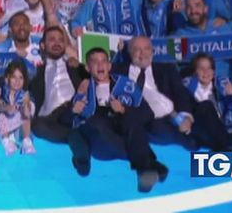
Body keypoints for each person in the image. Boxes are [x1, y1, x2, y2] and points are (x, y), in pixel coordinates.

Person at [66, 48, 167, 192]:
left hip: (122, 136)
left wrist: (124, 110)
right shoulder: (83, 88)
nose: (100, 65)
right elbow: (67, 120)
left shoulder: (127, 85)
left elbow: (148, 114)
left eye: (103, 61)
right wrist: (77, 102)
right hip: (98, 141)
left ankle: (145, 171)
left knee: (131, 121)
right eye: (94, 61)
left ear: (109, 66)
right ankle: (150, 164)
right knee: (96, 122)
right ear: (88, 68)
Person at [112, 37, 197, 150]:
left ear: (153, 51)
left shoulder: (167, 69)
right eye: (137, 49)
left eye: (147, 49)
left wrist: (186, 117)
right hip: (131, 118)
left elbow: (180, 93)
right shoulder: (117, 71)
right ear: (129, 52)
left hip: (165, 120)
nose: (142, 53)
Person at [29, 26, 84, 144]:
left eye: (60, 40)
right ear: (43, 45)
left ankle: (76, 137)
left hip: (72, 110)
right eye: (52, 39)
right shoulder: (36, 72)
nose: (57, 43)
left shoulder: (75, 67)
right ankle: (75, 137)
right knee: (37, 126)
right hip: (49, 118)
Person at [0, 61, 37, 155]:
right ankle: (6, 141)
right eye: (14, 77)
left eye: (20, 78)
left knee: (25, 116)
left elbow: (26, 107)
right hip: (0, 121)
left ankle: (27, 141)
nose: (17, 81)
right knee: (2, 116)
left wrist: (26, 108)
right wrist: (7, 108)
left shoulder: (24, 94)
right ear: (7, 78)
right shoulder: (0, 91)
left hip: (16, 121)